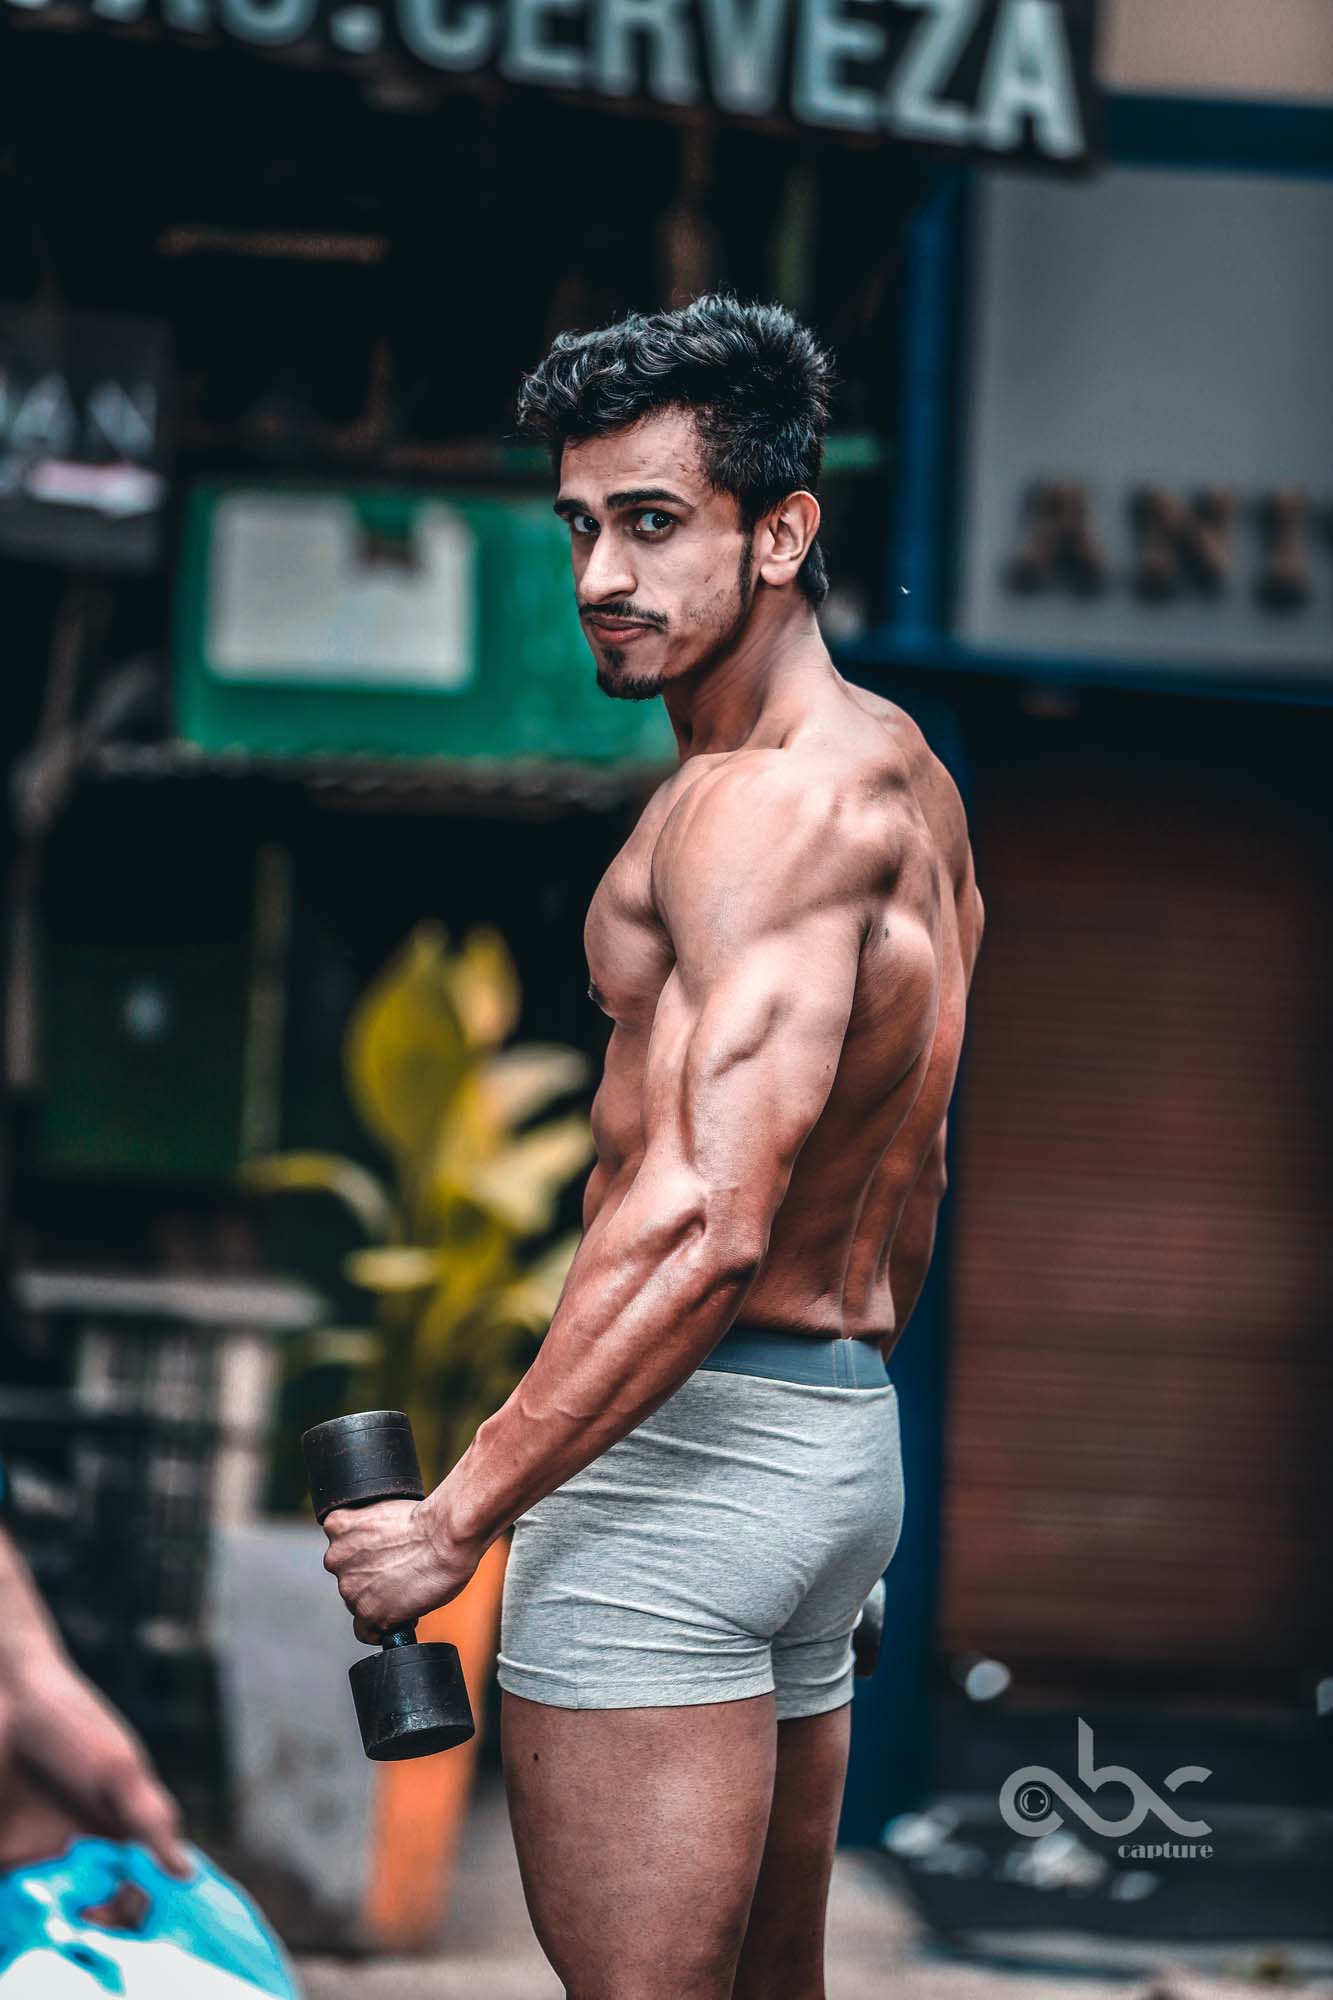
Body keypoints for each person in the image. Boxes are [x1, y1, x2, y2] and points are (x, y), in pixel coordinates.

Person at [320, 294, 984, 2000]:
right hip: (831, 1439)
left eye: (652, 522)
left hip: (682, 1466)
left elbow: (703, 1217)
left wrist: (456, 1519)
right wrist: (820, 1500)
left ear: (782, 534)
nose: (601, 574)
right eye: (579, 526)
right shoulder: (901, 779)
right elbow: (902, 1166)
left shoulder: (750, 810)